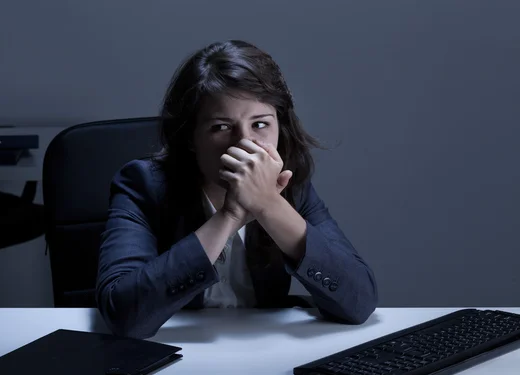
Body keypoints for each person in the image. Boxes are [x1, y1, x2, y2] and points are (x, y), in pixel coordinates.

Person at [97, 40, 378, 338]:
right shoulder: (142, 185)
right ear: (191, 137)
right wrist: (229, 215)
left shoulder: (291, 187)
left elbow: (358, 301)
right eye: (221, 127)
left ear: (279, 126)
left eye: (260, 124)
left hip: (260, 358)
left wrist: (270, 205)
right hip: (170, 355)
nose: (245, 143)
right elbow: (123, 315)